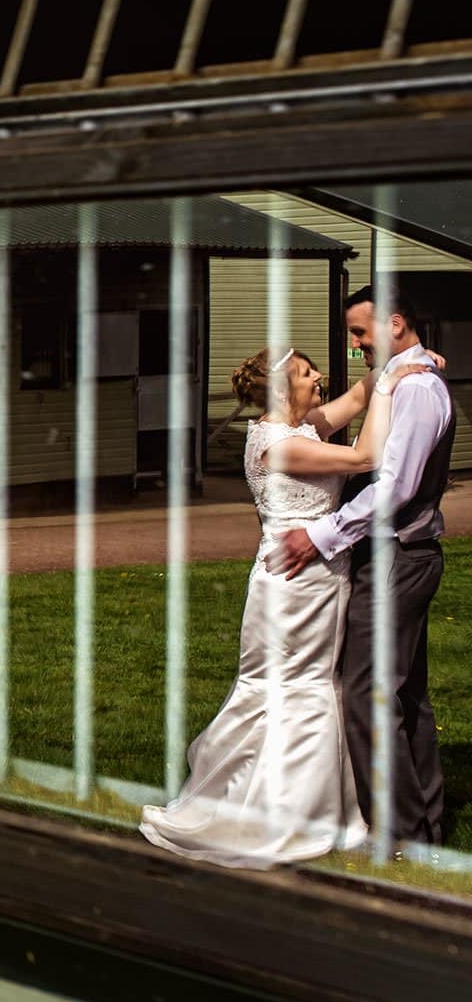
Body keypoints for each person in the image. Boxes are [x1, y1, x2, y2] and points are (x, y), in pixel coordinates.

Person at [141, 345, 431, 868]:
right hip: (294, 587)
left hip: (319, 579)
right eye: (306, 373)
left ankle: (319, 808)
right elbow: (365, 457)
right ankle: (283, 811)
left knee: (313, 683)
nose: (318, 377)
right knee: (297, 688)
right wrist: (391, 386)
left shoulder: (302, 427)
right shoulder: (278, 444)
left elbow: (357, 397)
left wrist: (405, 358)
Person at [274, 288, 455, 847]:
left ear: (394, 323)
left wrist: (322, 535)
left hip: (397, 553)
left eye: (360, 332)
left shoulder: (418, 389)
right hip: (386, 555)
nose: (355, 346)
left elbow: (395, 487)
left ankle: (400, 834)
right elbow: (358, 402)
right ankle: (421, 828)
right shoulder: (401, 380)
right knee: (401, 696)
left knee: (367, 695)